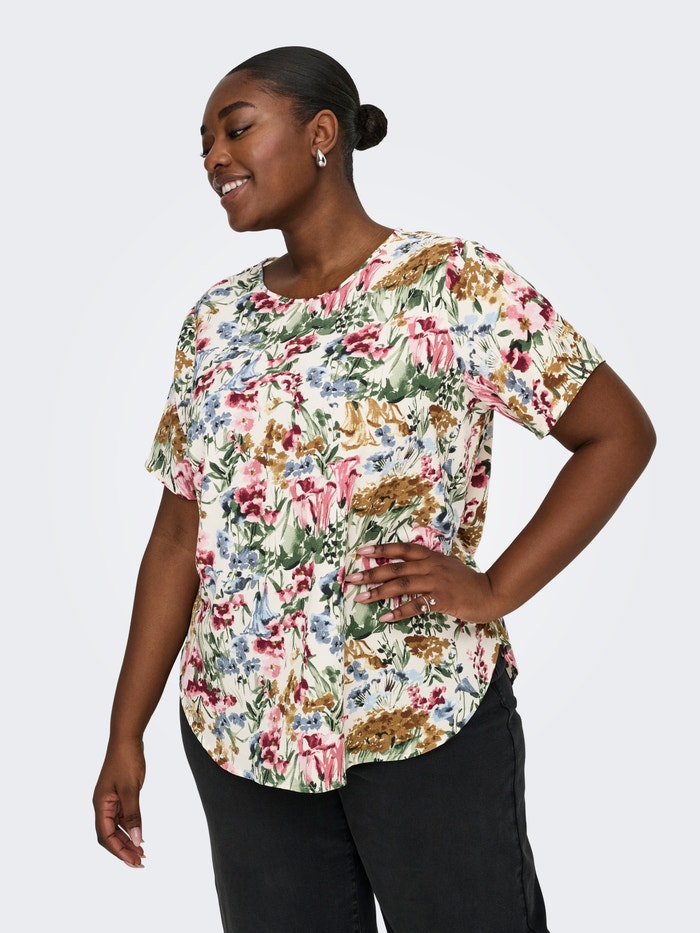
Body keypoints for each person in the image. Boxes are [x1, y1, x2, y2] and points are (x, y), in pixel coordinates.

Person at [93, 46, 655, 933]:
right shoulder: (214, 323)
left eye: (236, 130)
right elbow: (176, 537)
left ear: (322, 134)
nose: (214, 158)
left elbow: (617, 432)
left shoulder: (453, 284)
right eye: (202, 143)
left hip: (420, 715)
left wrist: (496, 587)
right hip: (244, 733)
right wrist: (126, 729)